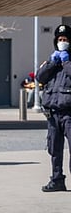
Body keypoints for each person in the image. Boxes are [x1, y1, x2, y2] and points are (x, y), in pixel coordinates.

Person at [36, 24, 71, 192]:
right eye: (59, 40)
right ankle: (57, 180)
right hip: (53, 114)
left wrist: (66, 62)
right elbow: (39, 77)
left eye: (65, 40)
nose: (62, 42)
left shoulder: (67, 61)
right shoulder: (53, 60)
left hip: (69, 113)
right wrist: (52, 62)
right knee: (54, 149)